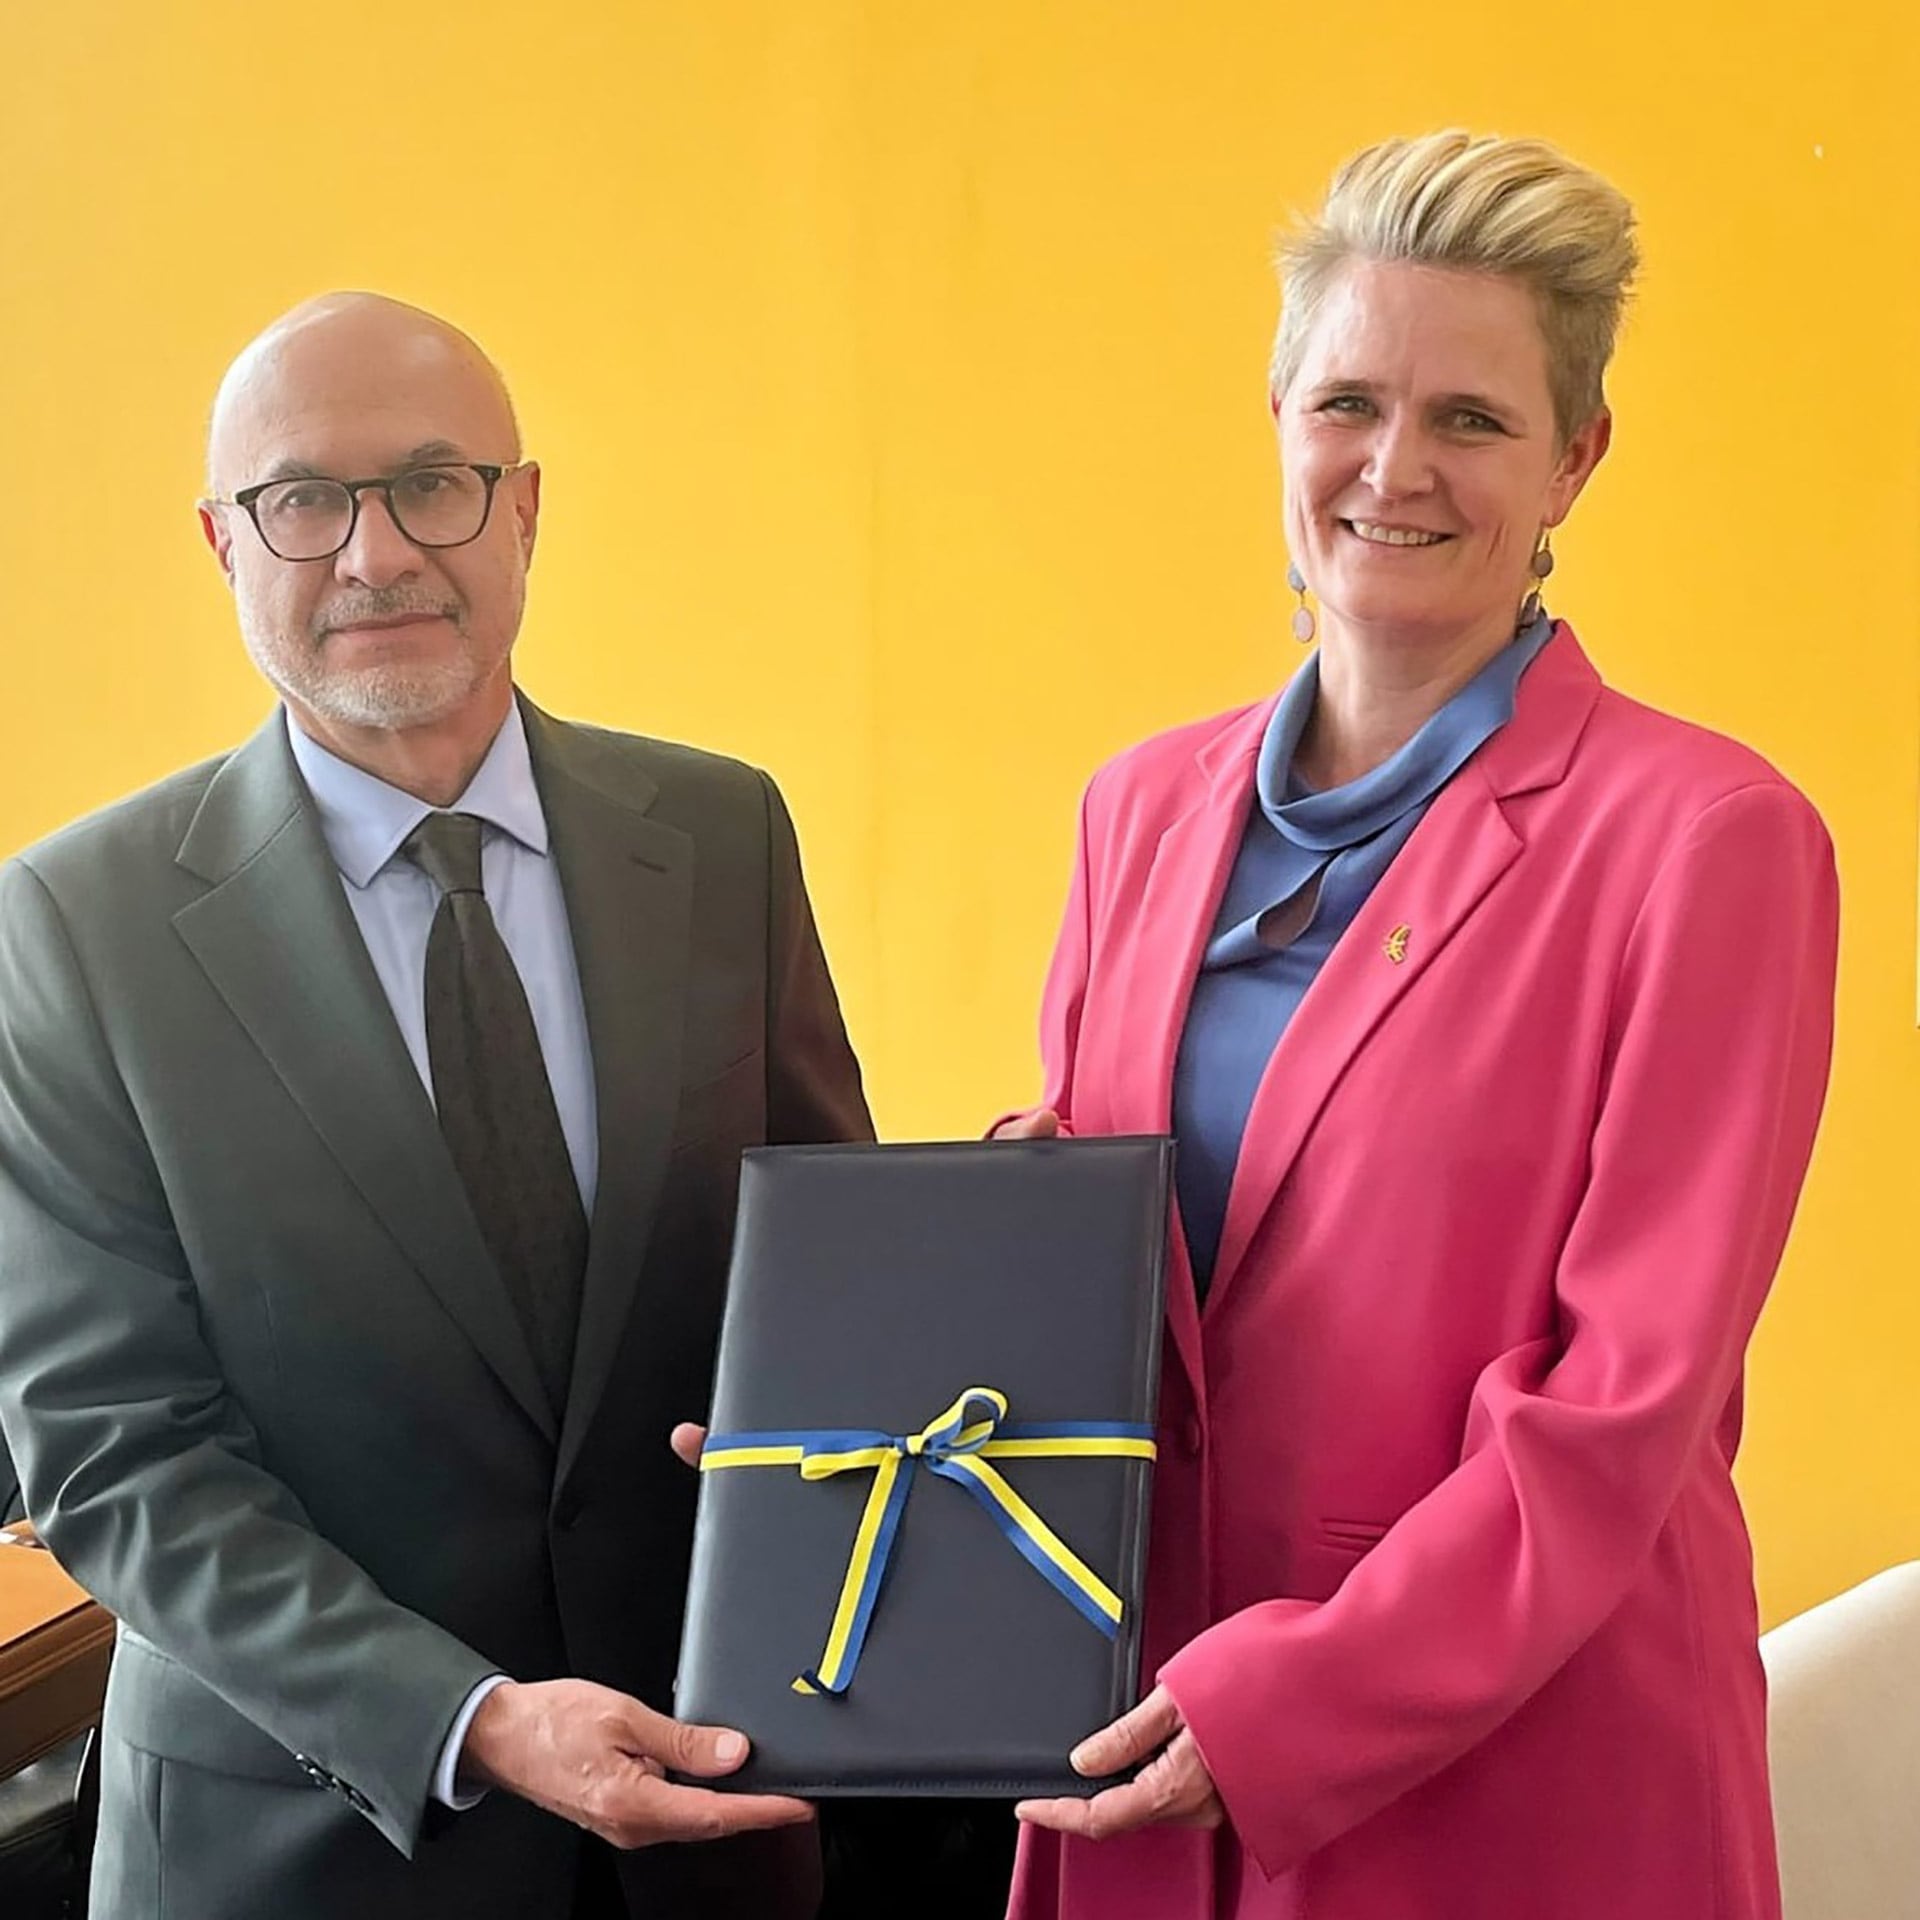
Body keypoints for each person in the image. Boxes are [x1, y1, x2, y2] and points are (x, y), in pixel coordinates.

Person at [996, 133, 1839, 1919]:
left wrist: (1291, 1699)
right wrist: (829, 1401)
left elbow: (1624, 1409)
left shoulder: (1709, 841)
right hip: (1138, 1741)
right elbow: (1113, 1260)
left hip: (1523, 1773)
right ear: (1278, 416)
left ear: (1575, 458)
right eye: (1348, 403)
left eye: (1471, 419)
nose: (1395, 470)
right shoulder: (1137, 808)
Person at [0, 292, 870, 1920]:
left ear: (522, 510)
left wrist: (995, 1249)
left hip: (714, 1811)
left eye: (431, 484)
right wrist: (468, 1720)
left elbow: (832, 1283)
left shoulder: (722, 834)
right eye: (303, 500)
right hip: (300, 1851)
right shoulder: (74, 928)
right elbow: (115, 1456)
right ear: (223, 543)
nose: (376, 553)